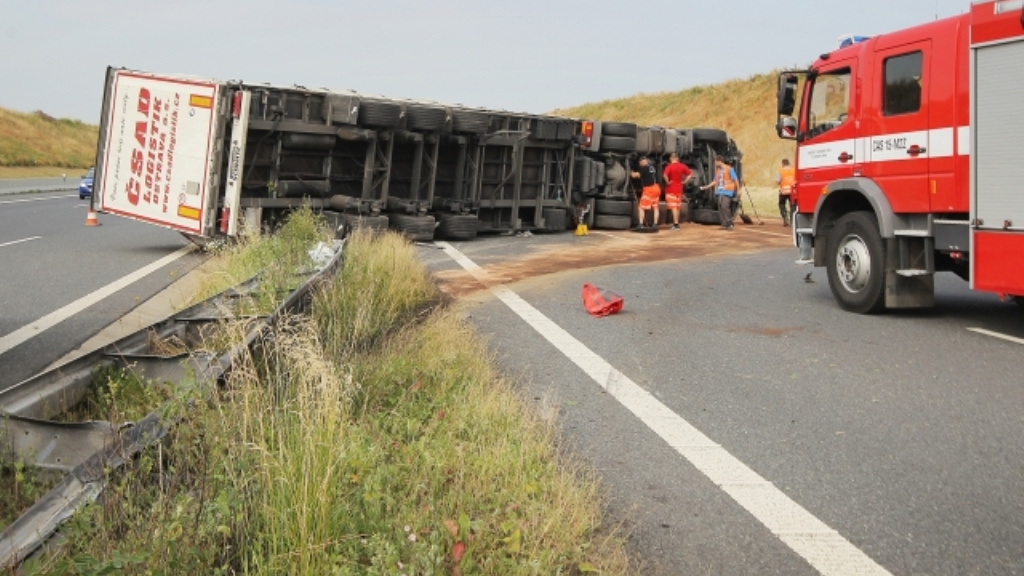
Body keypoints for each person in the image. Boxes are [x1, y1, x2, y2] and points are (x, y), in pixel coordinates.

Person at [700, 155, 739, 230]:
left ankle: (729, 223)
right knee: (720, 206)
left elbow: (735, 180)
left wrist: (738, 190)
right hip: (720, 191)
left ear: (719, 161)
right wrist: (706, 187)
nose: (715, 163)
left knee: (725, 206)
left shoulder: (729, 169)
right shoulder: (718, 170)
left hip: (728, 191)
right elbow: (715, 181)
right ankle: (724, 224)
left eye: (715, 161)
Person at [662, 152, 693, 229]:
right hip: (679, 189)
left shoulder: (669, 167)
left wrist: (668, 182)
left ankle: (675, 224)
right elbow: (690, 174)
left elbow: (664, 175)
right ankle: (676, 222)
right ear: (677, 158)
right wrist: (685, 181)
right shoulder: (682, 166)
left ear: (671, 158)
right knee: (678, 207)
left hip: (671, 189)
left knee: (673, 207)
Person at [630, 156, 660, 230]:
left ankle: (641, 224)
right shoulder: (652, 167)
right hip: (656, 188)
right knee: (655, 207)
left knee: (641, 207)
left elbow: (635, 176)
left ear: (642, 162)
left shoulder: (644, 168)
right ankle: (655, 224)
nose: (639, 164)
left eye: (639, 162)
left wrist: (630, 172)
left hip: (649, 189)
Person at [776, 158, 795, 226]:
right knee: (793, 205)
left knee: (781, 204)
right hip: (792, 191)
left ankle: (785, 218)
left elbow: (777, 180)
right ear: (788, 163)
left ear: (783, 164)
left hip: (783, 191)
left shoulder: (780, 171)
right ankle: (792, 220)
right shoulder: (793, 170)